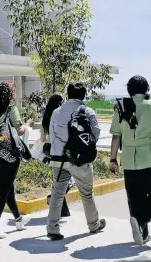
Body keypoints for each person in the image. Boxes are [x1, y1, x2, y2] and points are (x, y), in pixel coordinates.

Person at [110, 75, 151, 246]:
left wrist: (113, 159)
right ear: (146, 89)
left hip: (129, 161)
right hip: (150, 160)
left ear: (129, 90)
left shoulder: (120, 108)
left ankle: (142, 235)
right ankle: (142, 222)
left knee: (135, 198)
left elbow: (116, 136)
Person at [46, 83, 106, 240]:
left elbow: (51, 133)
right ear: (84, 95)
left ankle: (52, 228)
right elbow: (96, 132)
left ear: (68, 94)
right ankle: (94, 224)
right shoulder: (87, 111)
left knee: (57, 193)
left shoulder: (56, 112)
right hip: (79, 160)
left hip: (58, 160)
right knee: (86, 194)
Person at [0, 81, 30, 239]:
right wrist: (27, 126)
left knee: (8, 187)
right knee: (4, 191)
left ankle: (18, 220)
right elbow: (19, 129)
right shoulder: (11, 109)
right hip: (10, 155)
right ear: (10, 94)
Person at [41, 94, 73, 218]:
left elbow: (42, 139)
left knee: (59, 179)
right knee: (68, 180)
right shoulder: (61, 116)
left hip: (50, 152)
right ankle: (52, 198)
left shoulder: (46, 118)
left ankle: (63, 210)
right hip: (61, 151)